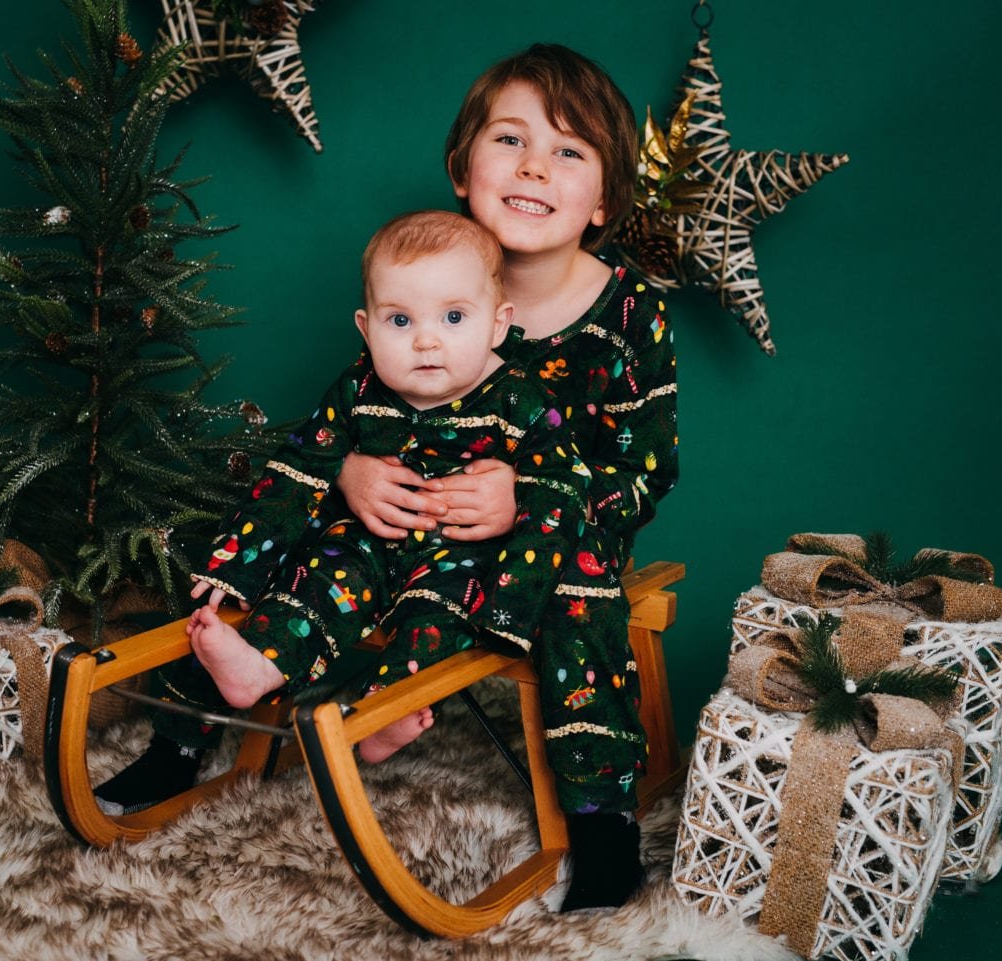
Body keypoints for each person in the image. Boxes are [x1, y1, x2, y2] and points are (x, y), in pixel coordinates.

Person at [335, 45, 678, 911]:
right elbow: (365, 407)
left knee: (577, 586)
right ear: (462, 169)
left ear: (603, 201)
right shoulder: (428, 283)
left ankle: (601, 823)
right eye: (511, 139)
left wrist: (527, 499)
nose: (533, 166)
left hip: (560, 538)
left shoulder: (632, 316)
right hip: (425, 525)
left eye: (569, 150)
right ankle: (193, 729)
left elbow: (647, 470)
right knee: (307, 523)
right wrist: (352, 470)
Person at [184, 209, 589, 763]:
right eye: (400, 320)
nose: (426, 341)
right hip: (369, 540)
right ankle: (259, 665)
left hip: (462, 555)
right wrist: (234, 562)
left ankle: (385, 708)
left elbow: (560, 489)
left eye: (453, 317)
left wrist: (514, 597)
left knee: (441, 612)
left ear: (498, 324)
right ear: (366, 328)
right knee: (321, 576)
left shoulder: (520, 399)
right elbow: (298, 468)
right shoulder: (359, 390)